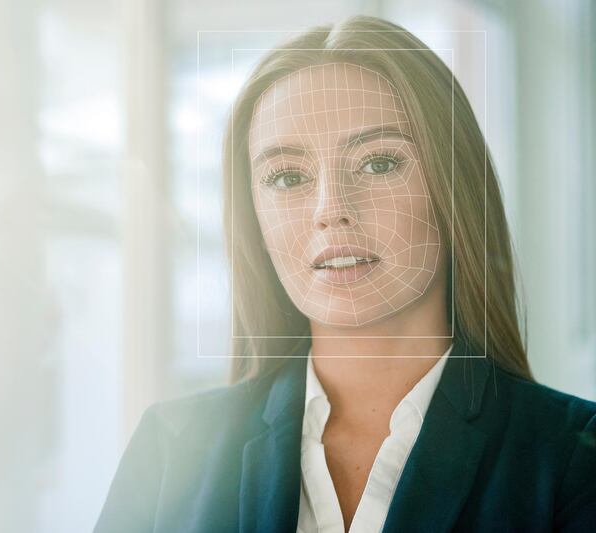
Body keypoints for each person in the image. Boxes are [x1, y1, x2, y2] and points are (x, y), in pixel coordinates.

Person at [95, 15, 596, 533]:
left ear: (454, 189)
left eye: (378, 164)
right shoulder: (171, 448)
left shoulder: (573, 461)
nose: (330, 210)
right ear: (254, 221)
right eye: (287, 176)